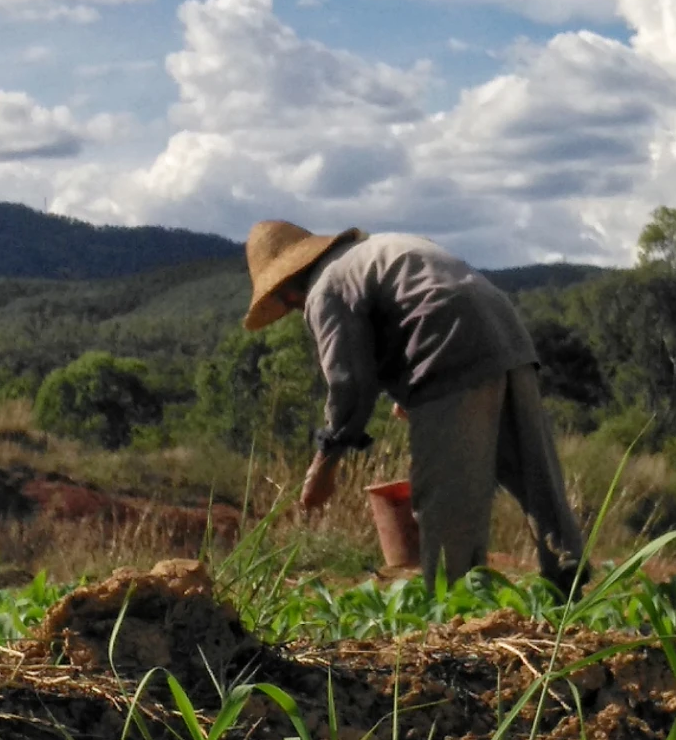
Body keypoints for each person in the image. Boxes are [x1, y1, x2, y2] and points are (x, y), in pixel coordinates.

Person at [243, 220, 590, 599]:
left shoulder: (325, 287)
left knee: (446, 504)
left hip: (448, 347)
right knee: (533, 473)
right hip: (505, 336)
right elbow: (416, 306)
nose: (290, 307)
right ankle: (568, 583)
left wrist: (325, 464)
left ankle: (458, 610)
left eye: (282, 299)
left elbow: (350, 385)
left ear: (286, 287)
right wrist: (412, 392)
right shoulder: (374, 251)